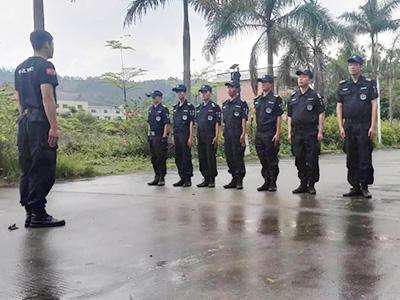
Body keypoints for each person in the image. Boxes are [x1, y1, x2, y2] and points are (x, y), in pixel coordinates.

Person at [14, 30, 65, 228]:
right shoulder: (46, 66)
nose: (53, 48)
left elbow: (19, 100)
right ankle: (38, 214)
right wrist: (53, 126)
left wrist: (23, 119)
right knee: (43, 167)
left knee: (27, 166)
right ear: (46, 44)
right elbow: (47, 97)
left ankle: (30, 211)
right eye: (52, 43)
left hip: (24, 121)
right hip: (39, 123)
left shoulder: (19, 68)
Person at [337, 55, 378, 199]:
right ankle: (354, 186)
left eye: (355, 64)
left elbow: (374, 105)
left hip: (364, 125)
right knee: (351, 157)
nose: (352, 67)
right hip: (349, 126)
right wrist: (340, 126)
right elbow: (339, 105)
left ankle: (364, 186)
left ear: (361, 67)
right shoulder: (343, 85)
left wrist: (373, 126)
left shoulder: (368, 84)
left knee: (364, 156)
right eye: (350, 65)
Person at [287, 70, 325, 195]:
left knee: (312, 158)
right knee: (299, 158)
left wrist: (320, 131)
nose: (300, 79)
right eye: (299, 77)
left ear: (309, 80)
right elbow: (290, 116)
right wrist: (289, 132)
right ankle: (303, 183)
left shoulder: (315, 96)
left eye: (303, 77)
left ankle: (311, 184)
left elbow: (321, 113)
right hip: (297, 133)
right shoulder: (293, 97)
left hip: (310, 132)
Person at [254, 75, 283, 192]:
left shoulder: (276, 99)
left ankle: (273, 182)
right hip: (259, 133)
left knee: (271, 158)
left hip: (270, 133)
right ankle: (266, 181)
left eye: (265, 82)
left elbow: (279, 117)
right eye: (262, 82)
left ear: (271, 84)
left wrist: (277, 133)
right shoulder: (257, 100)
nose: (263, 84)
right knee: (262, 158)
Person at [222, 80, 249, 190]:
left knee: (238, 158)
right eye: (228, 87)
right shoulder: (225, 104)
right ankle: (233, 178)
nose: (229, 89)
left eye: (232, 87)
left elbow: (244, 120)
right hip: (227, 135)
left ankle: (239, 180)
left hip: (238, 135)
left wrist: (243, 134)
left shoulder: (242, 104)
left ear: (237, 89)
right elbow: (224, 122)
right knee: (230, 158)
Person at [195, 85, 221, 188]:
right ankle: (205, 178)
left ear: (210, 93)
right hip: (200, 135)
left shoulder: (215, 107)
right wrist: (196, 136)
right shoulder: (199, 107)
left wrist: (216, 136)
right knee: (202, 158)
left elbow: (217, 123)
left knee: (210, 157)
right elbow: (196, 124)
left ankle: (211, 179)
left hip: (210, 135)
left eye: (205, 92)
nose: (203, 94)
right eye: (202, 92)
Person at [172, 84, 195, 187]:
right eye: (177, 92)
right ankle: (182, 177)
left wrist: (191, 137)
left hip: (185, 135)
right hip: (177, 135)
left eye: (180, 91)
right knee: (178, 157)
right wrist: (173, 136)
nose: (179, 94)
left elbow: (191, 123)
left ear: (184, 93)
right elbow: (174, 123)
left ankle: (187, 179)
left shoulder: (189, 106)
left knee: (186, 157)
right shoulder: (175, 107)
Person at [146, 90, 170, 187]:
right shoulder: (150, 109)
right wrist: (148, 134)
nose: (152, 99)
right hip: (152, 136)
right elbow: (149, 123)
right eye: (152, 97)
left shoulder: (164, 109)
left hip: (160, 137)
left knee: (161, 158)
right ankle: (156, 176)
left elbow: (167, 124)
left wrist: (164, 136)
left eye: (154, 97)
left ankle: (161, 178)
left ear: (159, 97)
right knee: (154, 158)